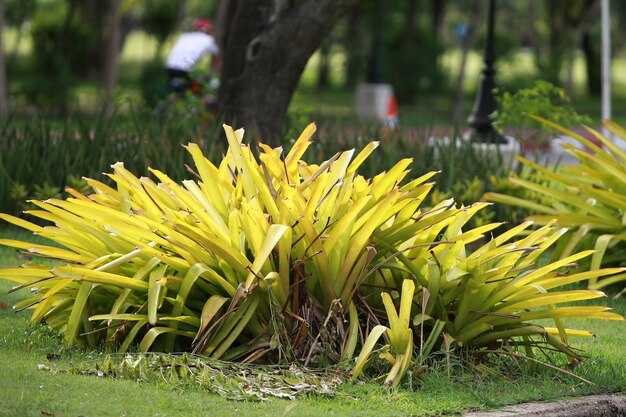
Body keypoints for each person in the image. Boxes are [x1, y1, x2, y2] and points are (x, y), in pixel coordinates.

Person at [165, 18, 221, 95]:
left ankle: (173, 103)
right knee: (199, 92)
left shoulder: (184, 36)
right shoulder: (208, 39)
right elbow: (217, 59)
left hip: (170, 67)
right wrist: (215, 76)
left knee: (178, 93)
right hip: (186, 70)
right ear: (208, 29)